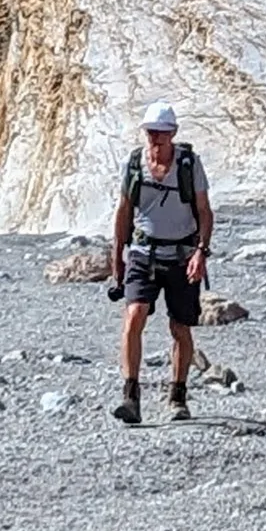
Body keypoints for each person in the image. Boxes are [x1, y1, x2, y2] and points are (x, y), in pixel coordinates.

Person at [106, 101, 213, 425]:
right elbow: (124, 210)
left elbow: (205, 211)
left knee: (180, 327)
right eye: (151, 132)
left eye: (162, 133)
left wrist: (201, 252)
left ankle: (178, 396)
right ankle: (130, 395)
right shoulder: (135, 164)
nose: (156, 138)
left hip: (181, 255)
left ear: (173, 134)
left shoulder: (188, 164)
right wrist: (117, 257)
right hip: (143, 252)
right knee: (134, 316)